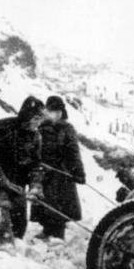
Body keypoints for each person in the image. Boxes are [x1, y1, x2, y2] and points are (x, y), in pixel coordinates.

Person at [0, 96, 46, 244]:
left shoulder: (36, 137)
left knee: (19, 228)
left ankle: (14, 247)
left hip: (16, 184)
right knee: (2, 212)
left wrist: (35, 185)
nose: (38, 123)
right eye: (36, 119)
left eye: (41, 119)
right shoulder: (4, 126)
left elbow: (36, 165)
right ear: (27, 115)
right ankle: (4, 248)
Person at [30, 96, 85, 240]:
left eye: (59, 111)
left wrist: (78, 172)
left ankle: (58, 235)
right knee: (43, 203)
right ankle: (46, 231)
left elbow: (74, 153)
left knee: (59, 205)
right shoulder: (39, 127)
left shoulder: (67, 129)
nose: (57, 114)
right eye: (53, 110)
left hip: (61, 174)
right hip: (43, 171)